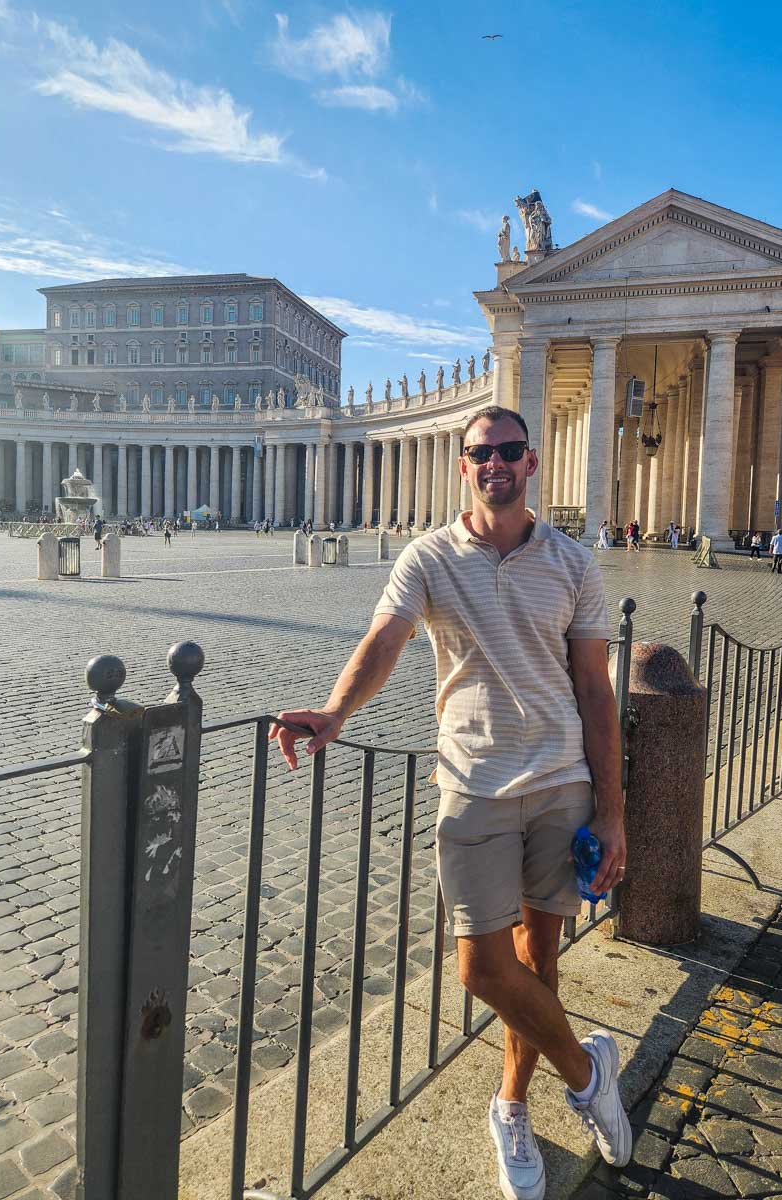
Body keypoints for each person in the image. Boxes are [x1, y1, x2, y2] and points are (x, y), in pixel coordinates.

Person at [270, 404, 631, 1200]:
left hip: (561, 782)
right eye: (480, 453)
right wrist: (334, 713)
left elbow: (595, 692)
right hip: (471, 785)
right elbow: (384, 642)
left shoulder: (572, 562)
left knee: (541, 961)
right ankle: (589, 1071)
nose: (494, 463)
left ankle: (512, 1105)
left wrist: (614, 810)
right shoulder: (428, 558)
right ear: (462, 465)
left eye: (508, 450)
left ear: (530, 462)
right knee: (482, 968)